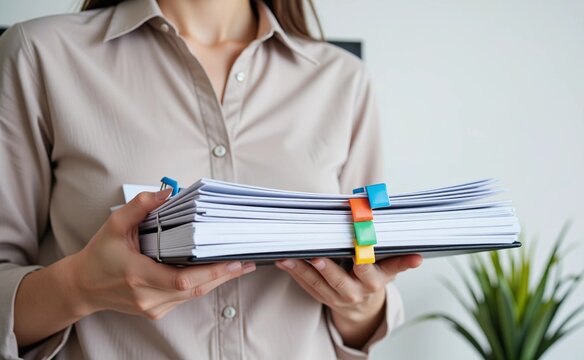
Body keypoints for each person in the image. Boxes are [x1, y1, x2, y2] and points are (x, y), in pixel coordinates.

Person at [0, 0, 422, 358]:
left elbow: (366, 260)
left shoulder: (343, 80)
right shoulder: (38, 54)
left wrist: (362, 305)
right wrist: (79, 286)